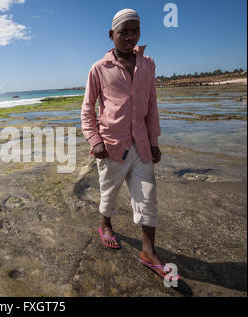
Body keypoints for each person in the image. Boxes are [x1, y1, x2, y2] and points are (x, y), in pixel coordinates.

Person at [80, 8, 179, 281]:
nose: (130, 36)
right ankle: (106, 224)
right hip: (112, 146)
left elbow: (151, 106)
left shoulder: (148, 64)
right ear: (111, 35)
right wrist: (94, 140)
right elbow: (88, 109)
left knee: (148, 197)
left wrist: (154, 141)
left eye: (135, 31)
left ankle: (148, 251)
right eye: (124, 32)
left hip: (142, 146)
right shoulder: (98, 69)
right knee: (109, 194)